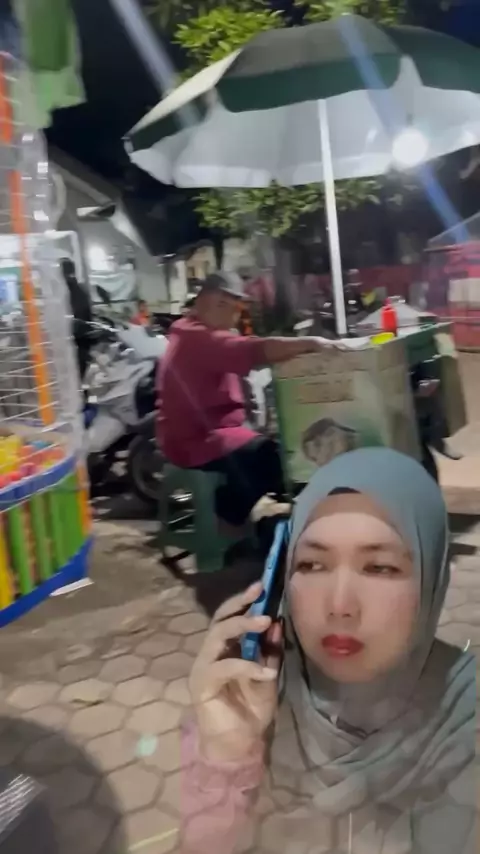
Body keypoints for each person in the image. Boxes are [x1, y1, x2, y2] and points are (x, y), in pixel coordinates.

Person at [181, 448, 476, 854]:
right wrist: (225, 757)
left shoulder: (466, 720)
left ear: (431, 581)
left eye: (379, 567)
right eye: (312, 565)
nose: (339, 605)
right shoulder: (253, 692)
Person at [157, 271, 336, 528]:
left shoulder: (186, 329)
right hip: (196, 439)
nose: (235, 317)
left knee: (269, 450)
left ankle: (239, 511)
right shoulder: (199, 337)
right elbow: (253, 349)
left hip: (198, 432)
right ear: (213, 302)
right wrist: (310, 343)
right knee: (275, 459)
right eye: (233, 309)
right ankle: (230, 515)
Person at [60, 257, 93, 382]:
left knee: (73, 379)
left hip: (73, 344)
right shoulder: (81, 291)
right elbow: (88, 317)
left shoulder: (65, 293)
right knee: (81, 378)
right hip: (83, 343)